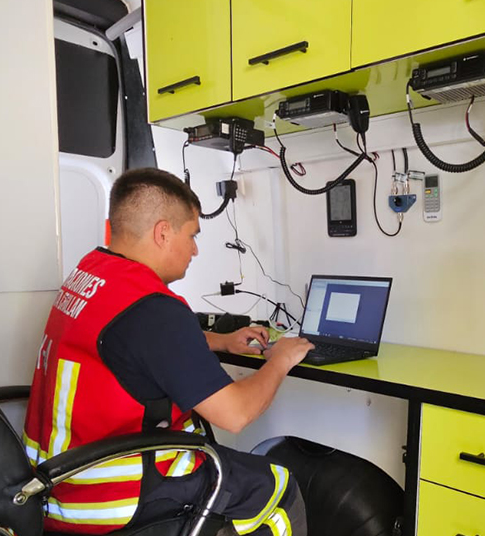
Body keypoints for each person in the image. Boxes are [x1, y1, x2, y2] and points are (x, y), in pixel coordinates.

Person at [23, 168, 314, 535]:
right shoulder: (154, 309)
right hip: (113, 495)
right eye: (191, 235)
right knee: (278, 487)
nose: (194, 249)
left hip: (55, 485)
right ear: (163, 232)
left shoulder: (92, 274)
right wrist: (282, 359)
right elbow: (236, 414)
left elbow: (129, 343)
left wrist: (221, 341)